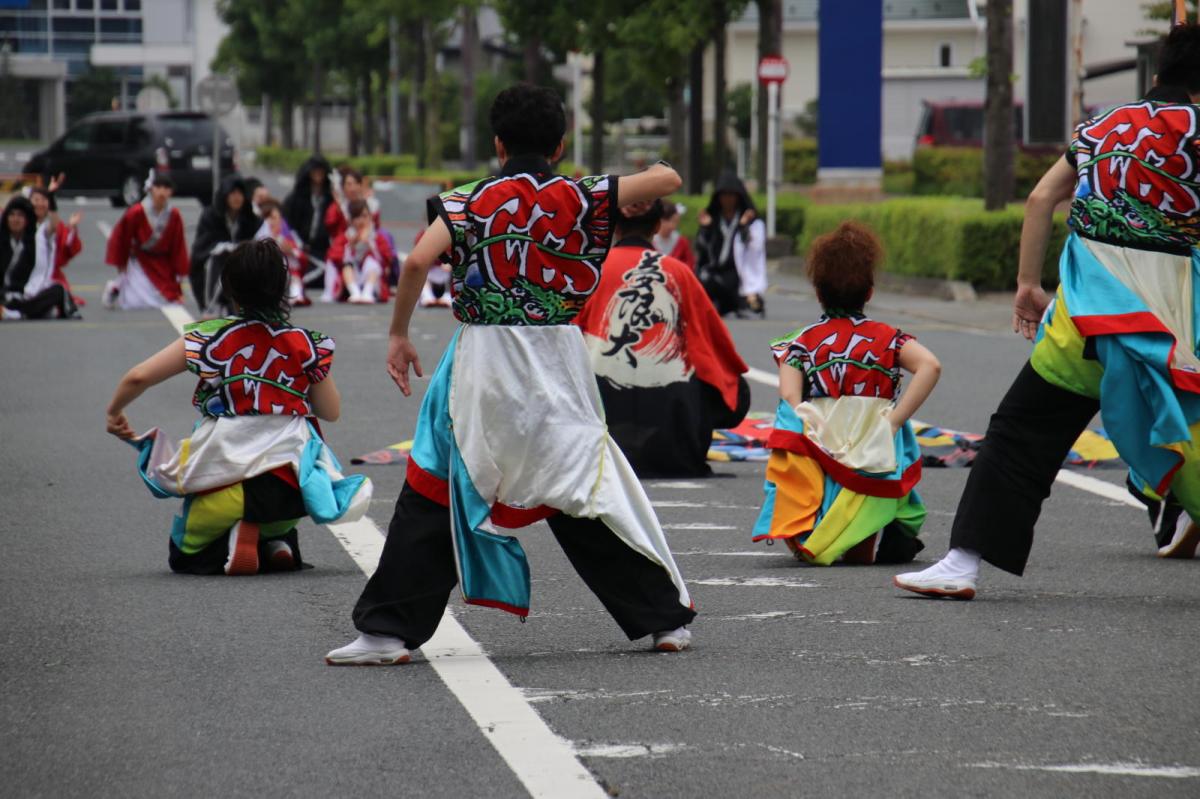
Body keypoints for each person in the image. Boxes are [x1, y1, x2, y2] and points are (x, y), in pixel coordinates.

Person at [325, 83, 695, 666]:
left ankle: (385, 632)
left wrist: (399, 336)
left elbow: (419, 260)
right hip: (560, 359)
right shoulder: (585, 195)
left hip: (487, 362)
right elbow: (667, 180)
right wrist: (641, 171)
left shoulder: (469, 199)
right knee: (581, 484)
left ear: (497, 143)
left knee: (441, 482)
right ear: (561, 142)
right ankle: (663, 619)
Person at [894, 24, 1200, 600]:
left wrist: (1028, 284)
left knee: (1020, 434)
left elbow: (1040, 199)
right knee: (1188, 437)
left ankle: (962, 561)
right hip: (1177, 328)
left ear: (1156, 75)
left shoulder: (1102, 126)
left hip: (1085, 320)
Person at [105, 239, 372, 575]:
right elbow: (331, 411)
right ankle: (273, 539)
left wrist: (115, 411)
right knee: (285, 517)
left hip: (225, 484)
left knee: (185, 553)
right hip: (288, 495)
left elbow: (139, 377)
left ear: (229, 287)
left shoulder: (209, 337)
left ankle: (235, 537)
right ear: (282, 288)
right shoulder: (305, 343)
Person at [752, 222, 939, 565]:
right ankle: (886, 530)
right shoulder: (889, 338)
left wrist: (814, 424)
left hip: (821, 441)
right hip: (874, 446)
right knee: (896, 441)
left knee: (792, 425)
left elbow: (790, 396)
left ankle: (812, 530)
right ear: (869, 292)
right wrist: (893, 422)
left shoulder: (800, 343)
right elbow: (930, 366)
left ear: (818, 291)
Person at [574, 198, 751, 477]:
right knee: (735, 387)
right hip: (673, 443)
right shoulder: (679, 272)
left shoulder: (591, 272)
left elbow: (561, 347)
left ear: (614, 227)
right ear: (657, 225)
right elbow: (717, 349)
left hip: (599, 441)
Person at [102, 173, 189, 309]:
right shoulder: (136, 212)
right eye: (158, 187)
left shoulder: (174, 214)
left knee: (169, 300)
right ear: (151, 189)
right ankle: (116, 287)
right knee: (136, 302)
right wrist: (122, 263)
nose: (162, 192)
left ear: (171, 192)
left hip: (162, 264)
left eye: (166, 188)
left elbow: (178, 245)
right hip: (140, 263)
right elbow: (122, 237)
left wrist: (179, 273)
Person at [695, 170, 766, 317]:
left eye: (731, 195)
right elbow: (702, 248)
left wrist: (743, 227)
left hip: (738, 272)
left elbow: (754, 247)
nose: (727, 199)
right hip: (715, 271)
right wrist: (705, 228)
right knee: (706, 282)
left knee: (751, 304)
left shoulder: (748, 218)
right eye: (724, 195)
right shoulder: (713, 218)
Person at [1, 195, 79, 320]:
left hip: (29, 294)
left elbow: (53, 227)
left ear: (27, 219)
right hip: (4, 294)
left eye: (20, 216)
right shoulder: (3, 240)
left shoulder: (37, 238)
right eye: (12, 215)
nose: (15, 219)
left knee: (59, 290)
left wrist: (51, 198)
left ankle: (19, 312)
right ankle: (20, 311)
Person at [189, 175, 258, 315]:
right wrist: (225, 248)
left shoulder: (249, 218)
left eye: (240, 193)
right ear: (225, 195)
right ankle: (210, 308)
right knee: (214, 262)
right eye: (232, 193)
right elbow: (202, 247)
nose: (237, 198)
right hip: (217, 264)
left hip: (242, 265)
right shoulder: (211, 216)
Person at [282, 155, 335, 291]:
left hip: (322, 251)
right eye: (314, 171)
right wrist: (298, 245)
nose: (318, 174)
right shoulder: (296, 198)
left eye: (321, 171)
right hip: (299, 249)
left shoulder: (330, 198)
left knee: (329, 273)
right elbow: (287, 225)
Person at [28, 183, 85, 307]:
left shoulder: (49, 227)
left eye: (44, 200)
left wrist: (71, 227)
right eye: (36, 200)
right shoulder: (21, 222)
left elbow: (65, 245)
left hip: (47, 276)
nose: (40, 204)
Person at [327, 198, 392, 303]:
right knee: (347, 266)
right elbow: (335, 259)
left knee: (372, 262)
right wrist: (351, 246)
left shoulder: (377, 237)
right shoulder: (345, 237)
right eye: (357, 217)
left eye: (365, 216)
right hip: (351, 279)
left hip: (374, 279)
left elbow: (386, 260)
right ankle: (355, 293)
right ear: (351, 220)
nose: (361, 220)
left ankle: (368, 292)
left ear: (370, 217)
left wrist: (371, 245)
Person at [254, 198, 309, 307]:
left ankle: (296, 295)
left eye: (278, 218)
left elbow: (297, 251)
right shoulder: (259, 238)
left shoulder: (283, 236)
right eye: (272, 218)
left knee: (293, 275)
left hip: (285, 270)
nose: (276, 222)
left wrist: (290, 250)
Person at [653, 201, 695, 270]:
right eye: (669, 221)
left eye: (676, 222)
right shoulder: (651, 241)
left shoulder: (681, 241)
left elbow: (690, 264)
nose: (672, 226)